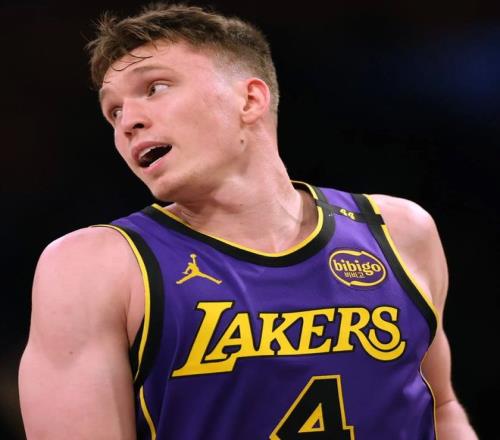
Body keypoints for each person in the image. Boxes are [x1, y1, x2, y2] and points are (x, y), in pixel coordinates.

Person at [18, 3, 479, 439]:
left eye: (154, 88)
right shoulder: (95, 267)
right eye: (113, 111)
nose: (127, 122)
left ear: (250, 99)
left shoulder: (397, 230)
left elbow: (441, 408)